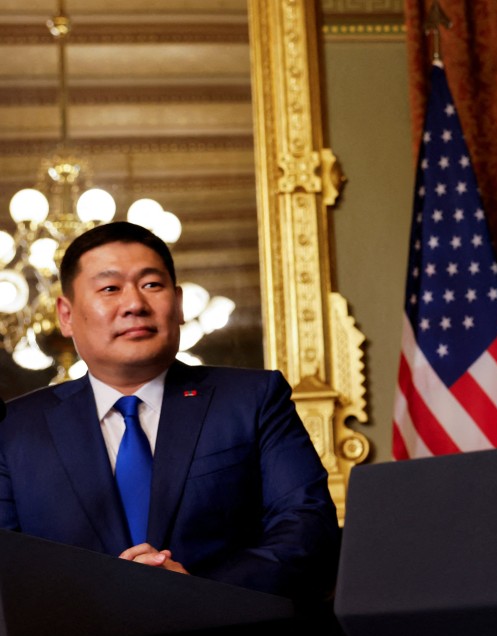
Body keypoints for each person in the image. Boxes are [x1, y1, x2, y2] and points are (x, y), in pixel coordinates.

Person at [0, 221, 341, 604]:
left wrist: (198, 591)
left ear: (178, 304)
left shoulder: (253, 399)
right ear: (66, 314)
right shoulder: (14, 430)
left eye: (151, 285)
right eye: (110, 288)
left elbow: (308, 525)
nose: (134, 304)